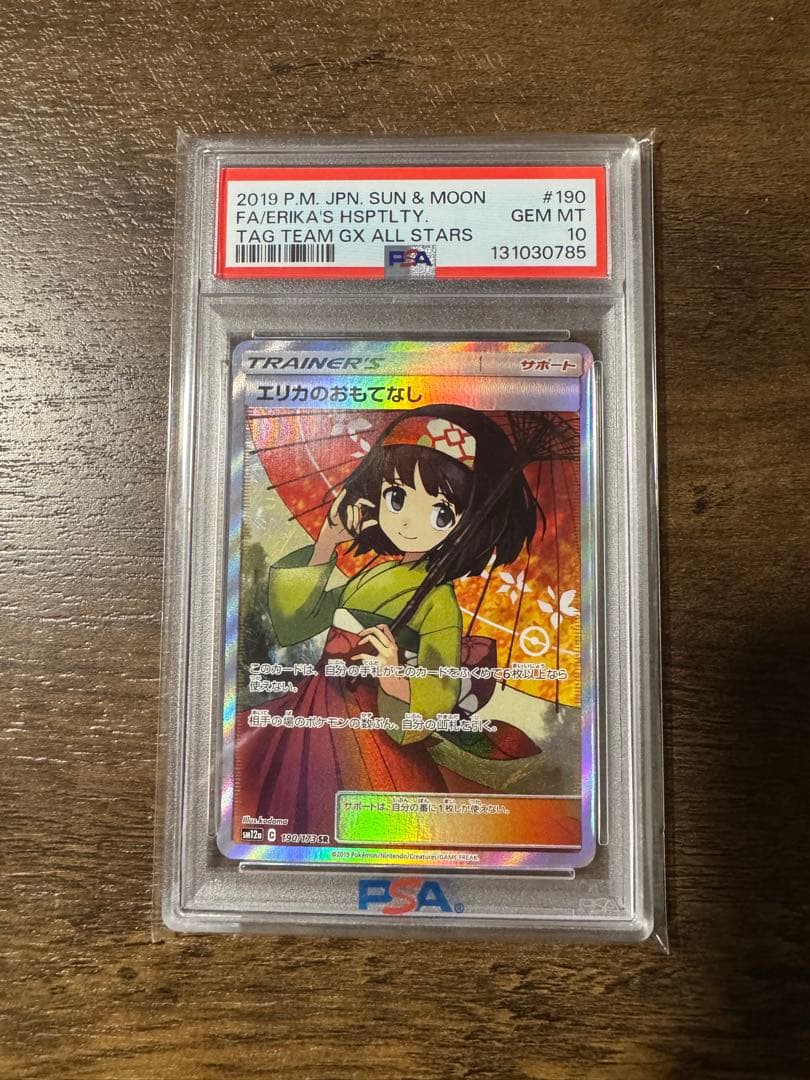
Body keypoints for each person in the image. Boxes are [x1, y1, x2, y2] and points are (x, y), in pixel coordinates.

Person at [234, 405, 540, 837]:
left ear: (469, 524)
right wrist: (327, 542)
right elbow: (295, 624)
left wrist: (394, 675)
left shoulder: (438, 600)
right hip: (316, 707)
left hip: (373, 724)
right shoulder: (374, 573)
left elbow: (439, 686)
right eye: (397, 497)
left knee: (366, 811)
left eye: (441, 514)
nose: (410, 523)